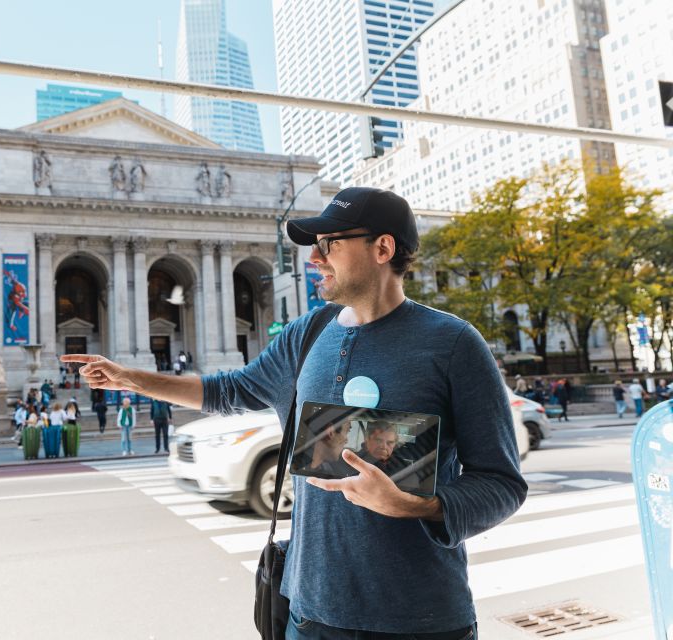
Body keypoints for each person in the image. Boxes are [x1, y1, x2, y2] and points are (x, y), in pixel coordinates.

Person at [62, 186, 526, 638]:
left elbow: (501, 482)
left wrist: (415, 506)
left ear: (383, 248)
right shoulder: (307, 333)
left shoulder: (454, 344)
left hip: (419, 618)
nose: (314, 259)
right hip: (309, 613)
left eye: (329, 244)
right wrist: (132, 379)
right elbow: (232, 390)